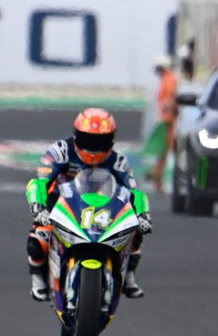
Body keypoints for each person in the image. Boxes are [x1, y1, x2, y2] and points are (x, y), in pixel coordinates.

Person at [26, 109, 152, 302]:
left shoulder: (117, 160)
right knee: (39, 237)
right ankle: (38, 280)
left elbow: (134, 192)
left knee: (133, 231)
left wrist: (143, 214)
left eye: (100, 141)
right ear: (77, 136)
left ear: (110, 140)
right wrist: (38, 206)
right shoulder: (60, 151)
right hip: (61, 204)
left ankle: (128, 276)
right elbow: (40, 182)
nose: (94, 148)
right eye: (88, 140)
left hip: (103, 206)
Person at [149, 56, 180, 193]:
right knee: (164, 150)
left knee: (168, 149)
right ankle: (157, 176)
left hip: (170, 120)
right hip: (168, 119)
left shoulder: (169, 80)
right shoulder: (168, 79)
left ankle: (158, 175)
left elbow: (170, 99)